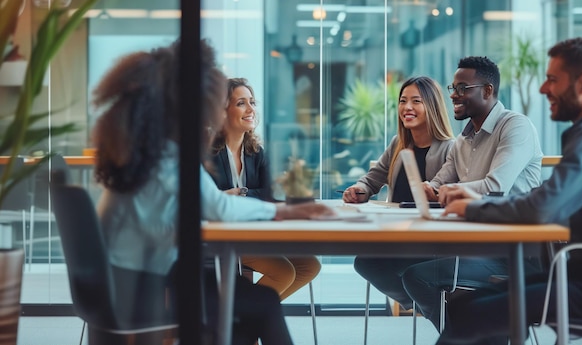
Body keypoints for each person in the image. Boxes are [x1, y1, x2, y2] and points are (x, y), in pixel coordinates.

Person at [92, 40, 334, 345]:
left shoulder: (146, 148)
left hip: (136, 276)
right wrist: (287, 210)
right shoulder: (167, 157)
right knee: (261, 304)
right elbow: (219, 206)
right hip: (142, 286)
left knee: (251, 308)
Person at [435, 37, 582, 345]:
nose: (542, 89)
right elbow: (547, 197)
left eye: (552, 80)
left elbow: (543, 208)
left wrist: (472, 208)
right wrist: (475, 200)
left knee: (470, 316)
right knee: (465, 307)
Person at [400, 56, 544, 330]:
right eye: (453, 87)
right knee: (378, 264)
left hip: (511, 252)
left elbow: (495, 188)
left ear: (487, 91)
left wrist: (446, 191)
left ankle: (464, 332)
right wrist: (429, 188)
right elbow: (439, 184)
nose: (453, 95)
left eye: (462, 88)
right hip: (468, 245)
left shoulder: (515, 126)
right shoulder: (461, 142)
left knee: (416, 277)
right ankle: (471, 329)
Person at [345, 76, 455, 312]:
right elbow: (373, 178)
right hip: (399, 235)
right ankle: (425, 305)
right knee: (365, 262)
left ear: (432, 106)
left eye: (416, 101)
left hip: (430, 241)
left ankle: (430, 306)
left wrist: (431, 190)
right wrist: (360, 190)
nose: (407, 107)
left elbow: (439, 186)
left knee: (373, 263)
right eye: (403, 101)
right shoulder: (398, 144)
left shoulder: (450, 148)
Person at [209, 77, 321, 301]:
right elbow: (209, 201)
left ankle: (246, 321)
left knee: (310, 266)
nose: (250, 109)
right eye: (241, 103)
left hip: (256, 232)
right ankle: (246, 323)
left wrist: (240, 193)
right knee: (283, 272)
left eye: (252, 102)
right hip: (224, 237)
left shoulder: (256, 151)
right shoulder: (207, 153)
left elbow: (271, 196)